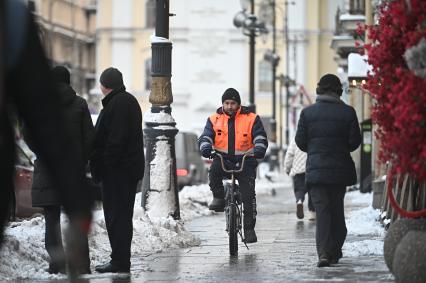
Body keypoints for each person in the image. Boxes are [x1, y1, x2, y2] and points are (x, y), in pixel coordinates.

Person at [1, 1, 93, 279]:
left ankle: (54, 263)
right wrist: (78, 199)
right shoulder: (11, 15)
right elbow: (44, 122)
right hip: (63, 167)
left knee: (50, 222)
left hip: (43, 174)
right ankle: (67, 262)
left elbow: (33, 129)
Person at [26, 66, 94, 274]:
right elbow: (90, 140)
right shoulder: (80, 104)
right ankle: (81, 265)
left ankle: (56, 264)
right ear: (69, 80)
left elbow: (28, 135)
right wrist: (80, 160)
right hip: (72, 172)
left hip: (47, 171)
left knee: (51, 221)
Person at [295, 74, 361, 267]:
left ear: (319, 90)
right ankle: (335, 249)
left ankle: (324, 253)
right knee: (336, 210)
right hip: (339, 171)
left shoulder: (307, 113)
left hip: (316, 171)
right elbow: (354, 141)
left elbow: (300, 141)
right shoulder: (348, 112)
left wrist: (315, 149)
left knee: (322, 211)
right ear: (338, 91)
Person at [90, 67, 144, 273]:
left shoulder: (118, 103)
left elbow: (115, 141)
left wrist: (104, 165)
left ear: (104, 85)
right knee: (121, 216)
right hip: (124, 170)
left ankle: (120, 261)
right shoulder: (126, 101)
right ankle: (120, 259)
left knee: (116, 217)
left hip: (118, 172)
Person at [198, 88, 268, 243]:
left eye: (233, 103)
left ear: (239, 104)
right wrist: (205, 147)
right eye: (227, 103)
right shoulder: (214, 119)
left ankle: (249, 228)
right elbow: (206, 136)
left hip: (246, 160)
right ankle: (218, 197)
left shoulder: (251, 118)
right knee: (214, 172)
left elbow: (260, 137)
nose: (229, 106)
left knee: (248, 195)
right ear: (222, 103)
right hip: (223, 159)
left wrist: (259, 148)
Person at [284, 137, 315, 220]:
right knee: (312, 191)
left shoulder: (296, 139)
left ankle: (299, 201)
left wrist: (287, 168)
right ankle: (312, 213)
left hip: (298, 170)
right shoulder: (312, 138)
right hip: (311, 168)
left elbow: (289, 155)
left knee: (299, 189)